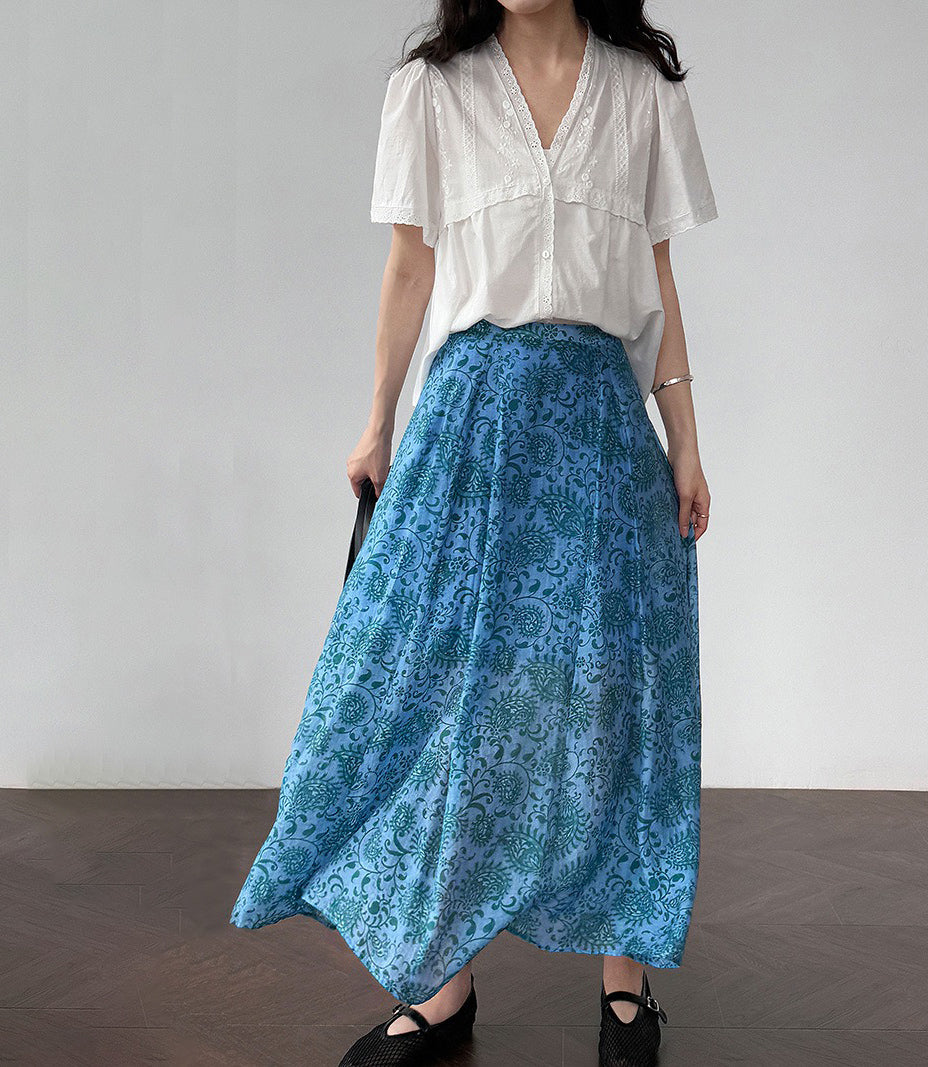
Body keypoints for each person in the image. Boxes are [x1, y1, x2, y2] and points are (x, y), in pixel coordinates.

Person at [230, 2, 718, 1064]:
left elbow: (658, 275)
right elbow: (410, 264)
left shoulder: (641, 90)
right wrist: (377, 421)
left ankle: (623, 982)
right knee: (443, 692)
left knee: (611, 690)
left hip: (597, 419)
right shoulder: (432, 89)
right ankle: (441, 982)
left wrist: (684, 441)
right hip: (470, 417)